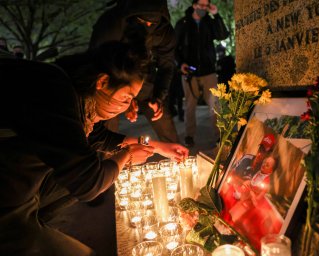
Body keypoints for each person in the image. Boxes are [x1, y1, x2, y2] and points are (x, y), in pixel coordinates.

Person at [0, 40, 188, 255]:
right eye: (127, 98)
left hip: (22, 188)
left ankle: (38, 225)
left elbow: (99, 138)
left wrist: (158, 147)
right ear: (102, 81)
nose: (128, 107)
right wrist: (126, 156)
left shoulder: (75, 94)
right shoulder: (54, 90)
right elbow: (89, 182)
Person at [89, 0, 180, 143]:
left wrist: (159, 97)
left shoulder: (165, 32)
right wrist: (125, 97)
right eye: (143, 22)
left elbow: (166, 67)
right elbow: (98, 62)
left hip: (145, 84)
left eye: (153, 24)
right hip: (112, 84)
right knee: (106, 129)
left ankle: (178, 158)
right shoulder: (113, 24)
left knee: (163, 121)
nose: (148, 26)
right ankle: (104, 162)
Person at [175, 0, 229, 147]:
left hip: (208, 71)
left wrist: (216, 15)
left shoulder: (209, 22)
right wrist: (180, 64)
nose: (203, 8)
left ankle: (219, 136)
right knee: (190, 105)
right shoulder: (183, 23)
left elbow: (223, 35)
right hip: (189, 72)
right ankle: (189, 135)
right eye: (201, 5)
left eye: (206, 5)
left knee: (214, 104)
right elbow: (174, 48)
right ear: (194, 5)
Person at [230, 156, 282, 249]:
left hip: (251, 207)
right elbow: (250, 183)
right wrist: (246, 185)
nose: (264, 164)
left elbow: (257, 201)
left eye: (267, 165)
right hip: (245, 199)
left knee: (237, 221)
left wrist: (249, 191)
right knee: (232, 216)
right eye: (265, 161)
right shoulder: (258, 172)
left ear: (271, 171)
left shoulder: (266, 181)